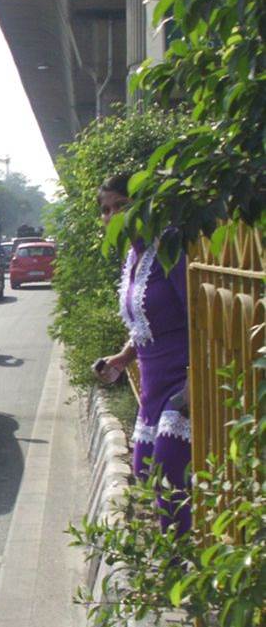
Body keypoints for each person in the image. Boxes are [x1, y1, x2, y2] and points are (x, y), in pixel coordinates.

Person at [95, 174, 191, 535]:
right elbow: (146, 326)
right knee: (146, 472)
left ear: (143, 204)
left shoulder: (169, 249)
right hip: (152, 387)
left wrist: (195, 382)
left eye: (121, 205)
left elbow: (199, 319)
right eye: (106, 210)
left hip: (182, 382)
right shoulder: (134, 255)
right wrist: (121, 358)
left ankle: (183, 569)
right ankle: (175, 566)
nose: (113, 215)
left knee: (169, 476)